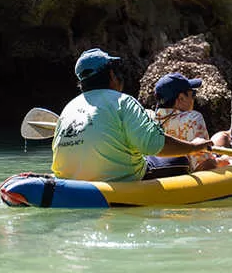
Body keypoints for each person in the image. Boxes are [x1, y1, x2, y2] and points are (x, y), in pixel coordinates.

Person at [52, 48, 212, 182]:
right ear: (111, 76)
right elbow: (155, 145)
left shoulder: (69, 108)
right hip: (119, 178)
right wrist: (194, 147)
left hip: (70, 179)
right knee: (181, 161)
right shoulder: (124, 101)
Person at [150, 72, 220, 172]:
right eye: (193, 94)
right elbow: (205, 165)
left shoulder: (149, 121)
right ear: (181, 98)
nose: (194, 99)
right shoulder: (192, 118)